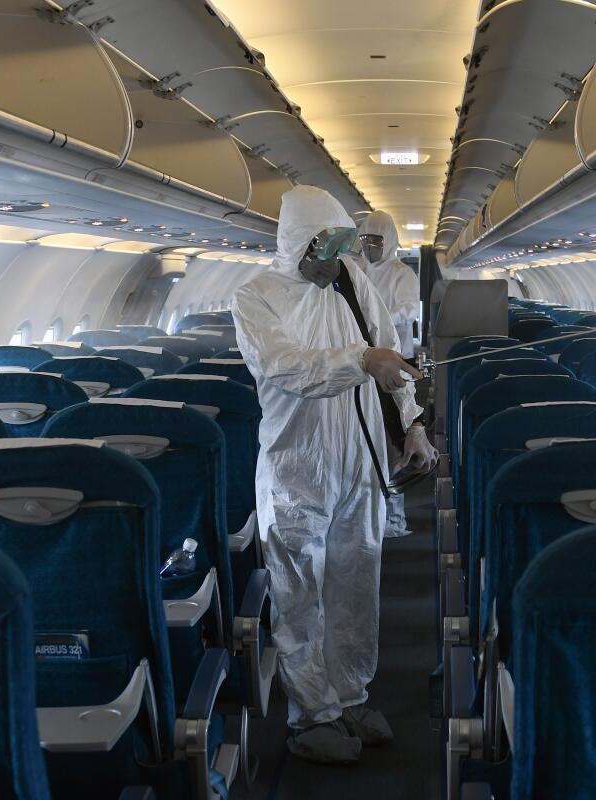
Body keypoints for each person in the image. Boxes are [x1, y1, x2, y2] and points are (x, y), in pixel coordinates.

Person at [233, 186, 438, 765]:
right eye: (330, 247)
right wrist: (360, 361)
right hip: (297, 468)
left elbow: (389, 352)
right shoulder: (256, 296)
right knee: (299, 594)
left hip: (361, 459)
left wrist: (415, 424)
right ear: (300, 244)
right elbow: (285, 367)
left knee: (355, 584)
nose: (341, 257)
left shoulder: (351, 280)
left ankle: (349, 695)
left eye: (347, 245)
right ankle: (310, 717)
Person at [356, 210, 422, 539]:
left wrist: (377, 319)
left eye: (376, 241)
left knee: (397, 438)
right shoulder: (356, 271)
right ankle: (368, 513)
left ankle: (395, 519)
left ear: (390, 242)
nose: (370, 247)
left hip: (397, 361)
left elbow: (410, 308)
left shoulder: (401, 273)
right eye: (365, 240)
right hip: (364, 362)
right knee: (368, 439)